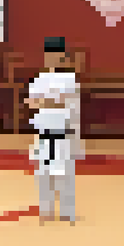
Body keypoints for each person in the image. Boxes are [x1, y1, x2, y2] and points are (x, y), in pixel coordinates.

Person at [27, 38, 78, 225]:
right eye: (48, 53)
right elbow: (32, 103)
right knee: (43, 174)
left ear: (63, 56)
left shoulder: (70, 79)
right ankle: (45, 210)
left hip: (62, 133)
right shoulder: (38, 79)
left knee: (65, 175)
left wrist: (45, 101)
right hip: (43, 132)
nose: (52, 57)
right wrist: (51, 101)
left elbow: (66, 102)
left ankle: (66, 211)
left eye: (56, 53)